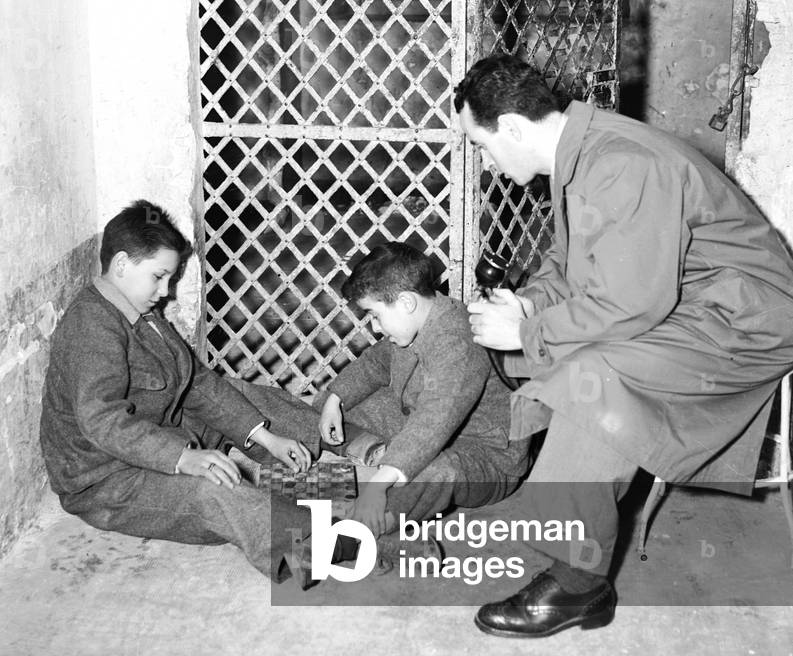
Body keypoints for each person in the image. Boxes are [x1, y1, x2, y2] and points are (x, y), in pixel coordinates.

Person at [455, 54, 793, 638]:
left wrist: (532, 331)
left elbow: (634, 303)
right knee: (532, 349)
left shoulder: (619, 163)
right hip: (692, 300)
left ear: (512, 127)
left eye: (482, 146)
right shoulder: (581, 154)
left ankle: (577, 586)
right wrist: (531, 305)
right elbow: (572, 263)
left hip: (745, 320)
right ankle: (556, 489)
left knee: (596, 377)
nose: (486, 160)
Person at [39, 199, 313, 579]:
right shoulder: (90, 326)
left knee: (239, 396)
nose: (166, 291)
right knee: (213, 492)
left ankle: (337, 448)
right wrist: (183, 459)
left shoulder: (138, 312)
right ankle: (317, 542)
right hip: (106, 480)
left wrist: (266, 439)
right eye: (159, 276)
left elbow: (197, 383)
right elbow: (102, 421)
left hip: (160, 430)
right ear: (121, 265)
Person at [309, 241, 530, 541]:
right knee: (329, 405)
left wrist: (377, 485)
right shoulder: (417, 320)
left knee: (438, 472)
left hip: (485, 457)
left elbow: (434, 419)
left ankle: (358, 531)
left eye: (375, 315)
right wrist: (336, 399)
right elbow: (377, 362)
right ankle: (371, 453)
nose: (374, 328)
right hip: (420, 428)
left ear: (405, 302)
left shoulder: (457, 338)